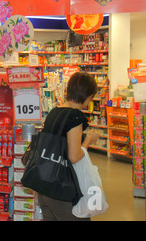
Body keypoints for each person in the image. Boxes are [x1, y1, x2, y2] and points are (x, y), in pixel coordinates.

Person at [37, 71, 101, 221]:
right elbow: (74, 156)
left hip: (44, 186)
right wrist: (88, 141)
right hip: (62, 191)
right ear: (88, 96)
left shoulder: (54, 112)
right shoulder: (75, 117)